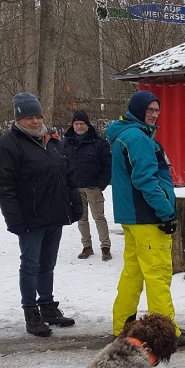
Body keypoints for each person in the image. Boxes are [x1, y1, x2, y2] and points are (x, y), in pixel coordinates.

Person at [106, 89, 185, 346]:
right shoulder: (138, 139)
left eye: (157, 110)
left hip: (133, 217)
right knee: (158, 275)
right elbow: (145, 180)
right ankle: (166, 333)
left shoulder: (124, 135)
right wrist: (165, 211)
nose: (154, 115)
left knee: (133, 273)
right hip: (148, 216)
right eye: (150, 110)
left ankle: (123, 324)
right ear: (137, 110)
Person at [0, 92, 82, 337]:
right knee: (30, 266)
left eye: (37, 116)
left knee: (48, 265)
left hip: (54, 215)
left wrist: (74, 205)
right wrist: (14, 219)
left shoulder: (53, 141)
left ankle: (48, 307)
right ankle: (31, 312)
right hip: (29, 218)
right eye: (29, 117)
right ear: (18, 119)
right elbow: (3, 188)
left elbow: (68, 177)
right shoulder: (7, 146)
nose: (35, 121)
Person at [59, 109, 113, 261]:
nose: (79, 126)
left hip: (93, 187)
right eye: (76, 124)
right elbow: (61, 164)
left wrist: (101, 184)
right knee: (81, 219)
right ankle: (87, 246)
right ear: (72, 125)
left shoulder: (99, 143)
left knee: (99, 218)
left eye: (82, 123)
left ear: (87, 125)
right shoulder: (65, 143)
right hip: (75, 187)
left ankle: (105, 247)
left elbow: (108, 165)